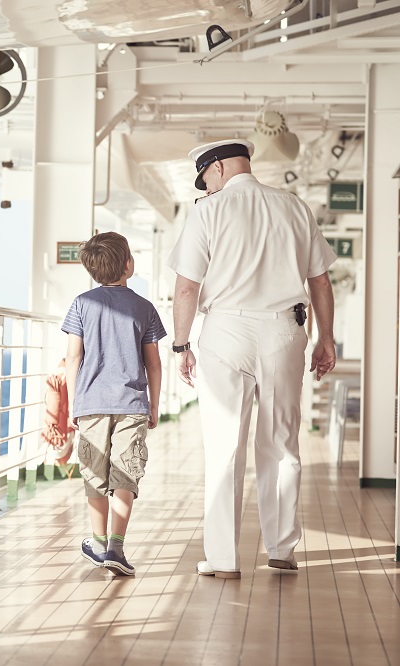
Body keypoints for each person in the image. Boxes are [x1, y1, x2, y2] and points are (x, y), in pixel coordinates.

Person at [167, 139, 337, 579]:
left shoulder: (208, 211)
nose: (206, 189)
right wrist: (326, 338)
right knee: (281, 442)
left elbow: (186, 288)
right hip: (285, 330)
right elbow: (320, 282)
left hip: (226, 330)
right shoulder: (294, 206)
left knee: (224, 447)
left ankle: (223, 559)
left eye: (205, 180)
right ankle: (281, 548)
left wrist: (182, 346)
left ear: (218, 168)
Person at [62, 231, 166, 576]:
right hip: (133, 403)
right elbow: (153, 362)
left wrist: (75, 403)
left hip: (89, 403)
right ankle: (116, 549)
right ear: (128, 265)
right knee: (126, 473)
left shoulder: (82, 303)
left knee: (94, 472)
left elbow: (73, 357)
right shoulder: (144, 307)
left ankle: (96, 542)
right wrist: (153, 405)